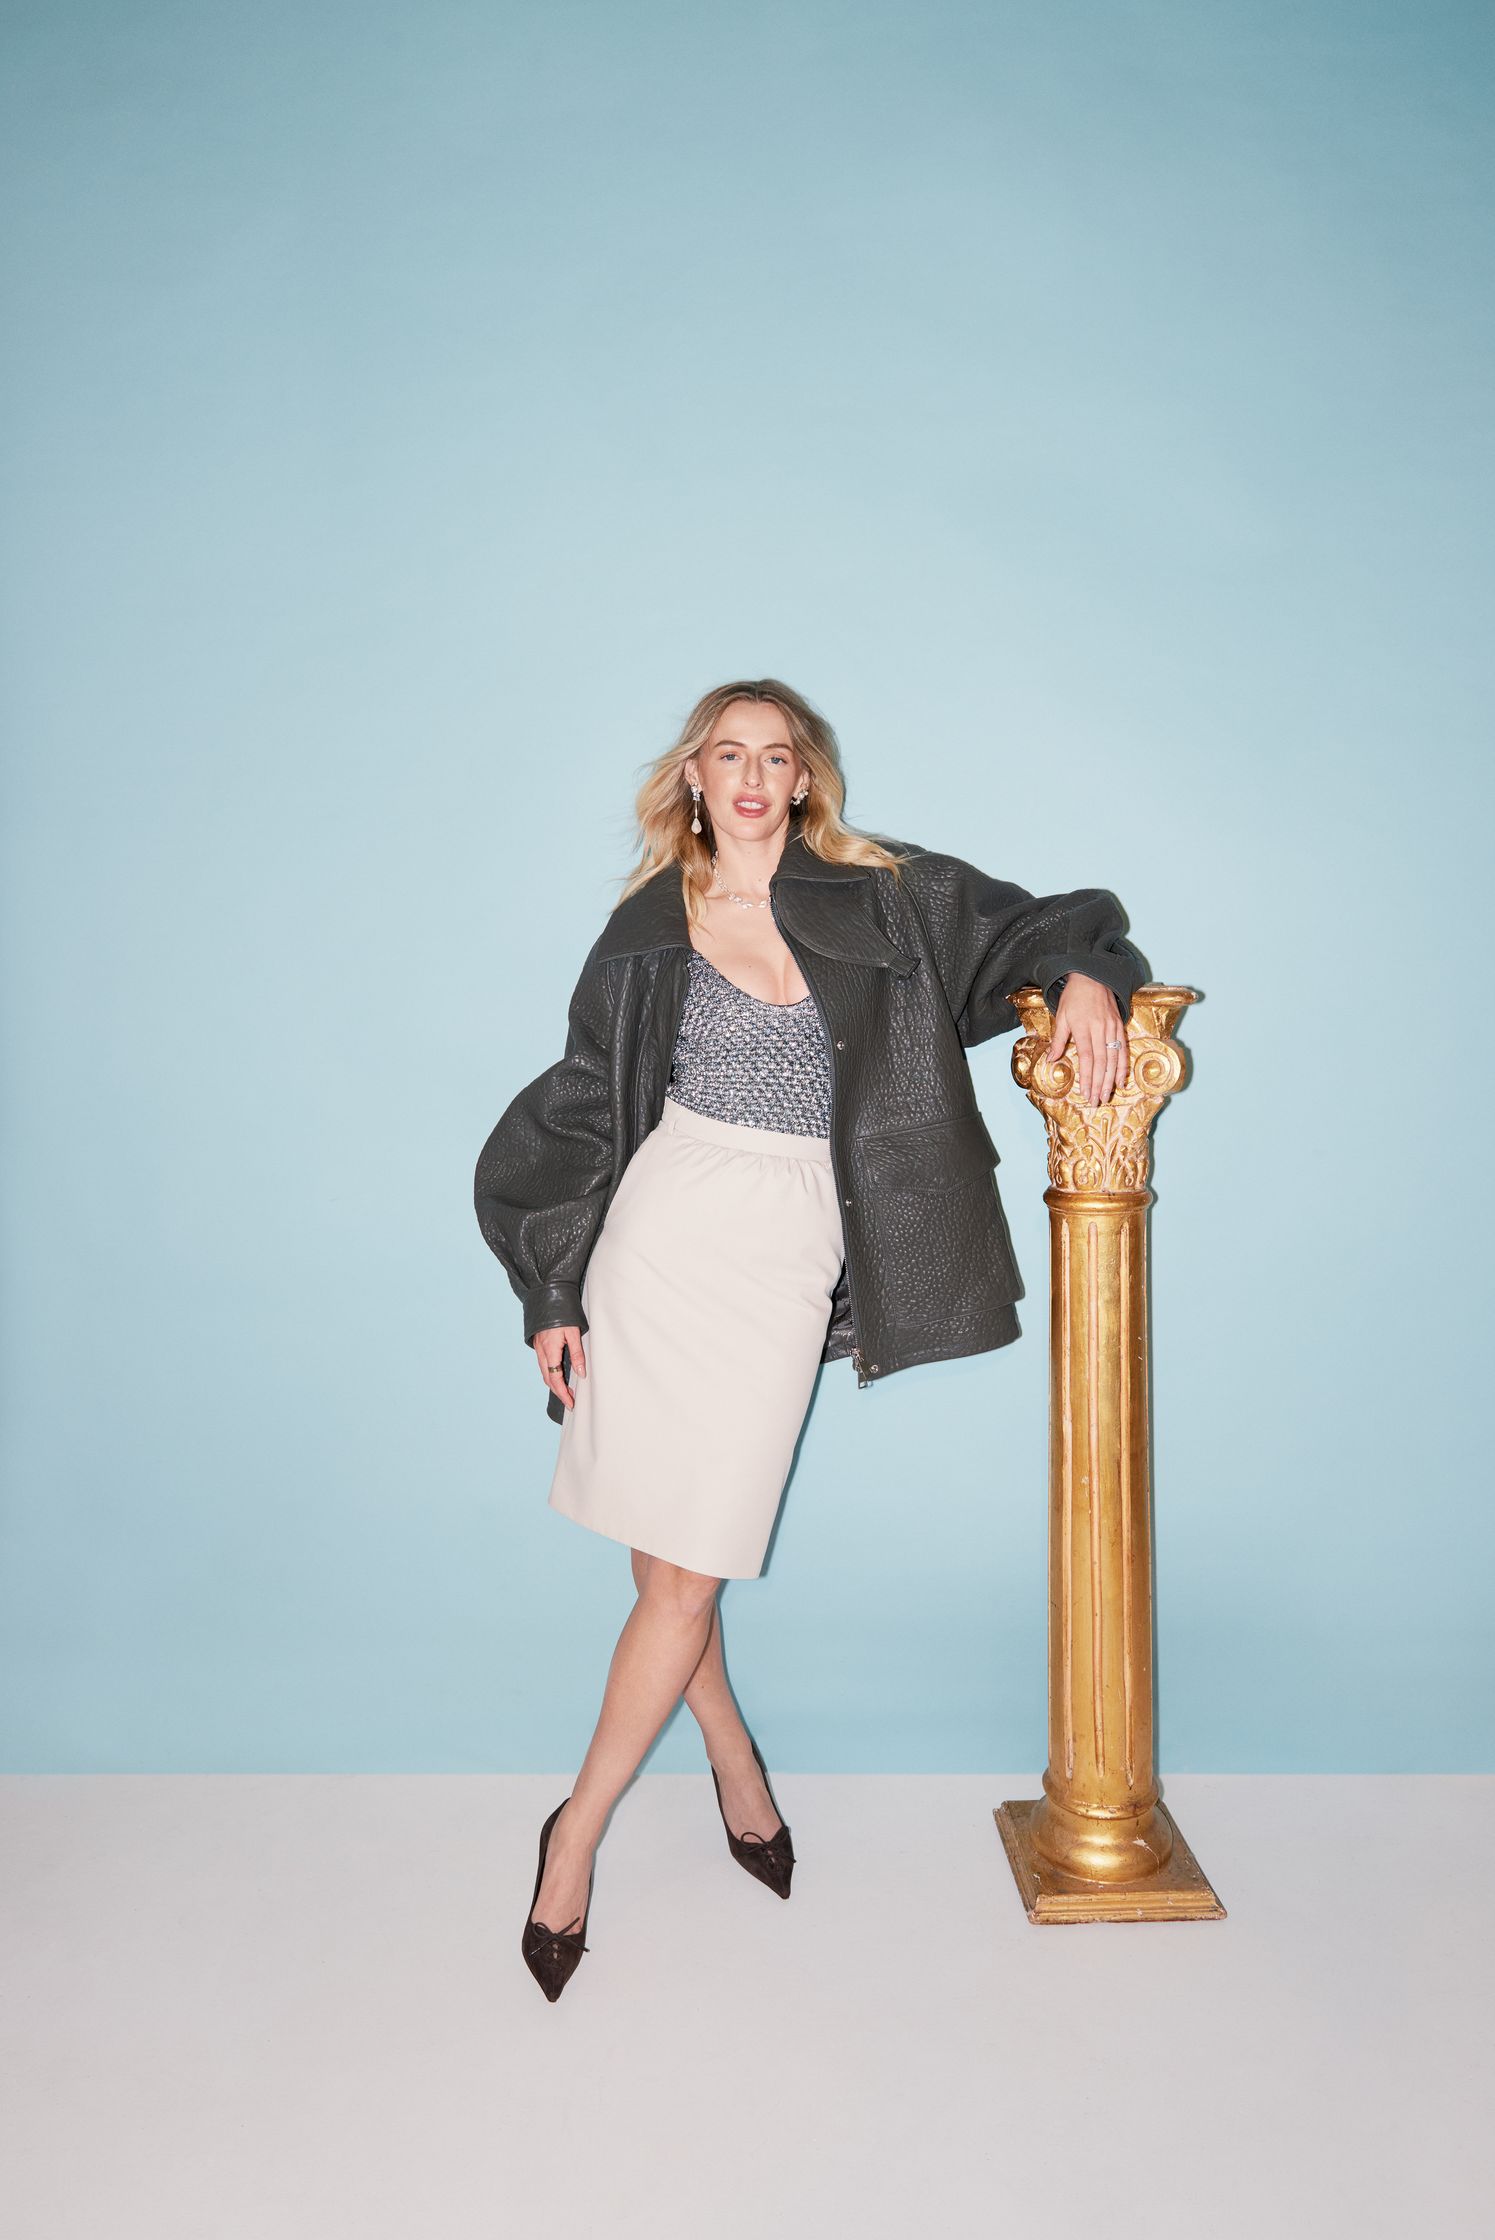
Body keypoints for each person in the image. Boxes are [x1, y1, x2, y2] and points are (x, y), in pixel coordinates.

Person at [473, 678, 1149, 2001]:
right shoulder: (648, 927)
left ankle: (651, 1791)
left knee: (689, 1558)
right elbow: (584, 1108)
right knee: (677, 1565)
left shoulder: (882, 896)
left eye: (774, 757)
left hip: (788, 1244)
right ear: (695, 776)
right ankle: (600, 1830)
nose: (750, 777)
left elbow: (1047, 924)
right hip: (662, 1232)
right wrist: (553, 1290)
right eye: (727, 754)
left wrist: (1089, 976)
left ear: (802, 779)